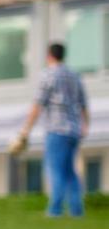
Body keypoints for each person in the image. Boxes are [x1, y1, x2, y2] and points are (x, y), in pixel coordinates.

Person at [13, 42, 89, 218]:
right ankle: (77, 210)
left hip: (56, 129)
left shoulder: (48, 75)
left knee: (55, 170)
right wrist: (86, 125)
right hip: (74, 130)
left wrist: (25, 130)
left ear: (49, 56)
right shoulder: (74, 76)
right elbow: (83, 104)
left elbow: (38, 104)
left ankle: (55, 209)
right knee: (70, 171)